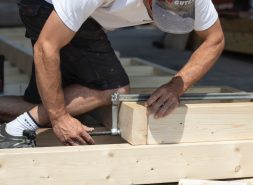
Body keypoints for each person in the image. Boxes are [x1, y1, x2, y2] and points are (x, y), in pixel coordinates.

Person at [0, 0, 224, 148]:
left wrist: (177, 86)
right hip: (46, 5)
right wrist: (59, 119)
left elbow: (215, 39)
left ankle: (25, 119)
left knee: (43, 101)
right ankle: (15, 130)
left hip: (82, 15)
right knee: (112, 88)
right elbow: (46, 47)